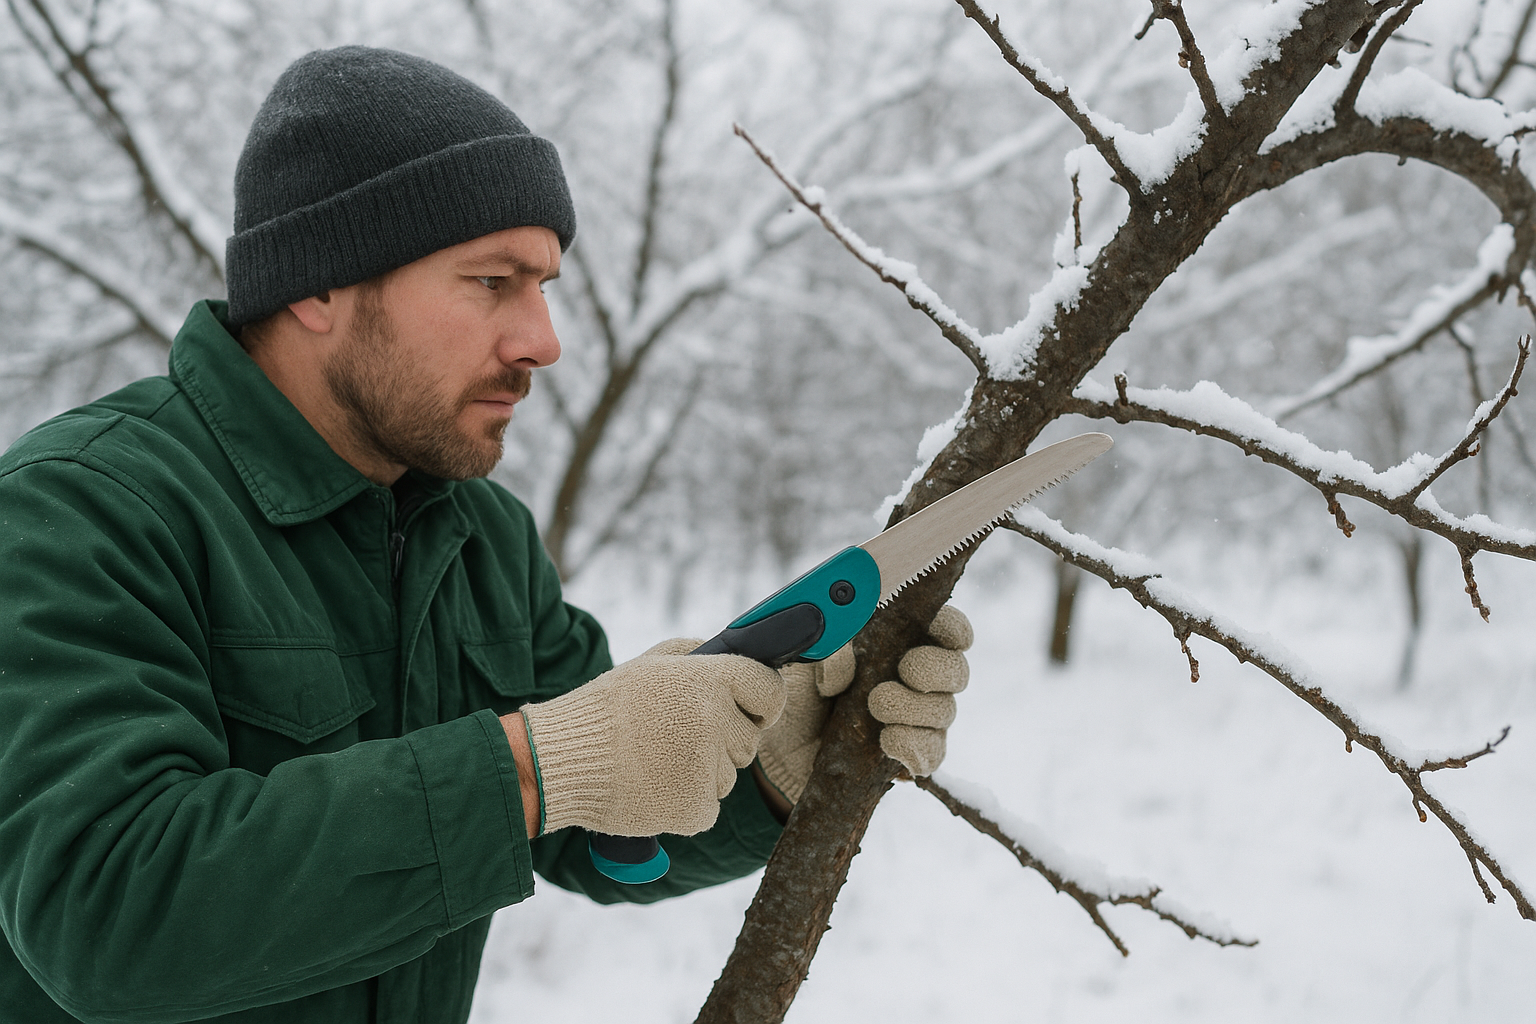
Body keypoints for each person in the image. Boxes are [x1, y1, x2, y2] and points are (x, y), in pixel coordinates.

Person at [0, 46, 972, 1023]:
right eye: (492, 281)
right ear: (316, 285)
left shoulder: (479, 539)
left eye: (544, 283)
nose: (542, 339)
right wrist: (524, 770)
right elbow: (106, 909)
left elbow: (592, 817)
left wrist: (769, 768)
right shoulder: (83, 511)